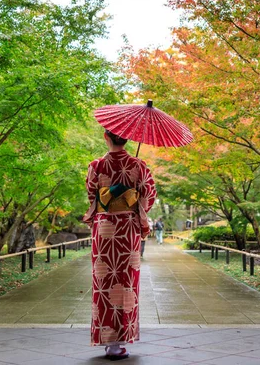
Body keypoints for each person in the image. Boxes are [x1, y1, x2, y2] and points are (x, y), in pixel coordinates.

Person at [83, 129, 157, 360]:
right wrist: (131, 199)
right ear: (127, 140)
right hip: (127, 228)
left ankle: (108, 341)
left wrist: (111, 195)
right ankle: (119, 343)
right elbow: (149, 194)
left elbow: (92, 195)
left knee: (104, 281)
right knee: (126, 283)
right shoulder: (138, 165)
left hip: (104, 228)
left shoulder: (96, 165)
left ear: (106, 138)